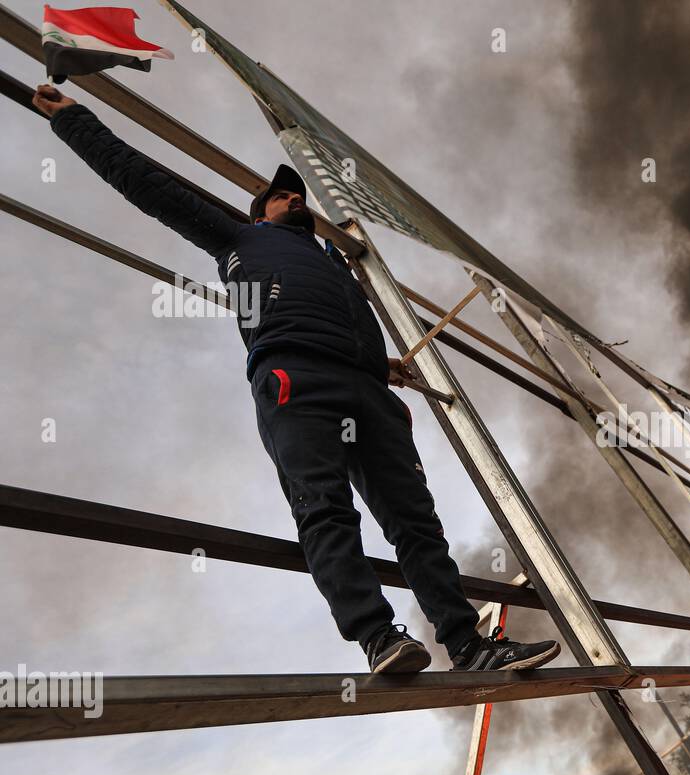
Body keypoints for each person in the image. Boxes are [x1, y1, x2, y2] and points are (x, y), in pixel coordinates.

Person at [32, 85, 559, 675]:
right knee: (324, 507)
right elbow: (146, 182)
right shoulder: (238, 238)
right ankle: (379, 638)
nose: (293, 199)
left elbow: (328, 320)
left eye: (297, 194)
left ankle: (469, 645)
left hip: (368, 394)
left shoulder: (334, 264)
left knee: (416, 521)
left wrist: (377, 363)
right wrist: (76, 121)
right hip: (295, 382)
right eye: (281, 196)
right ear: (260, 212)